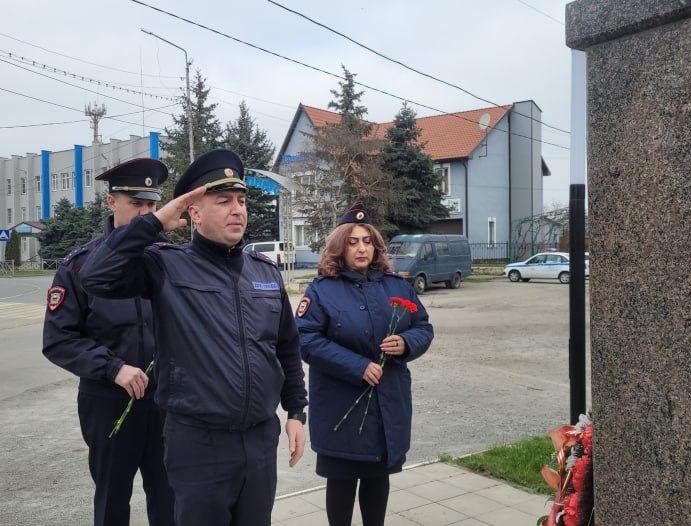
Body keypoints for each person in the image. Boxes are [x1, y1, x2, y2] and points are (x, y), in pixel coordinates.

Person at [78, 149, 308, 526]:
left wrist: (296, 411)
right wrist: (153, 222)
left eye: (241, 200)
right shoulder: (167, 265)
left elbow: (285, 346)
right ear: (195, 213)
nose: (237, 209)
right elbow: (95, 276)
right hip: (200, 445)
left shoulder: (264, 273)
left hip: (259, 441)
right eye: (223, 201)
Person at [42, 158, 174, 526]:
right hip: (109, 403)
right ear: (112, 202)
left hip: (167, 402)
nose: (145, 214)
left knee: (171, 502)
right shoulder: (80, 265)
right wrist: (112, 368)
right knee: (112, 502)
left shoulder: (171, 260)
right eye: (136, 204)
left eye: (151, 205)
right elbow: (58, 340)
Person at [295, 203, 434, 526]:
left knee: (377, 478)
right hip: (341, 405)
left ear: (376, 246)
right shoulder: (322, 290)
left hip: (387, 402)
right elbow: (306, 340)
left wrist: (407, 343)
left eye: (367, 241)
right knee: (342, 481)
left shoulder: (397, 285)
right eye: (353, 242)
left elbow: (423, 327)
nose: (362, 248)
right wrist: (356, 366)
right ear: (339, 247)